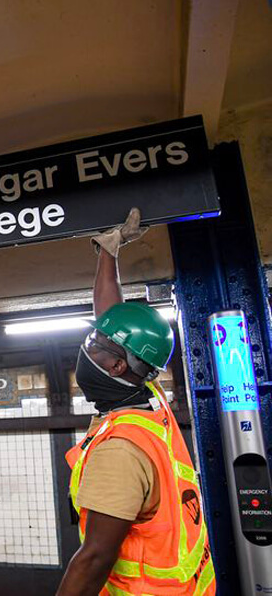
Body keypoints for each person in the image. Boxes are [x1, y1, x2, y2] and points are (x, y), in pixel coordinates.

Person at [57, 209, 215, 595]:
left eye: (94, 345)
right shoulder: (150, 397)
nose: (85, 348)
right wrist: (108, 253)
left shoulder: (120, 451)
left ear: (115, 365)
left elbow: (94, 557)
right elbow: (112, 319)